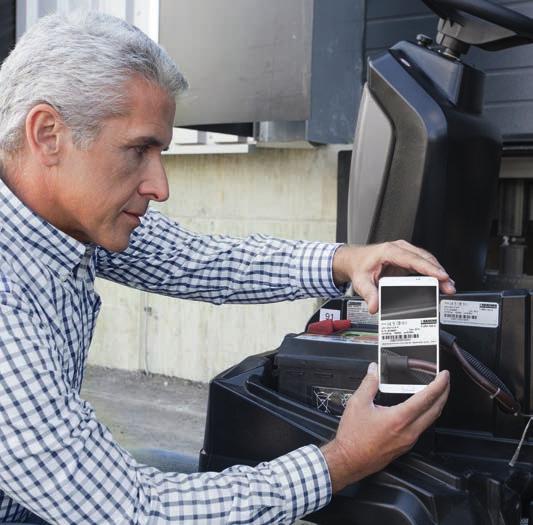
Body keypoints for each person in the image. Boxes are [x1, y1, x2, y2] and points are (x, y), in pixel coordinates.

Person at [0, 11, 453, 525]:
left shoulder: (67, 219)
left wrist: (344, 260)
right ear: (48, 135)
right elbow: (133, 513)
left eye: (162, 152)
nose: (160, 186)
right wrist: (342, 461)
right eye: (138, 150)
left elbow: (202, 261)